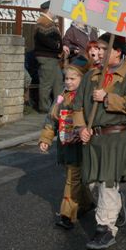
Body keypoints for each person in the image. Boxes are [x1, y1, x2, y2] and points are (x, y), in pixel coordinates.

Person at [73, 34, 126, 250]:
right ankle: (114, 203)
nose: (98, 53)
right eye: (98, 49)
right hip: (94, 138)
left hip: (117, 137)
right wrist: (81, 127)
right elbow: (78, 107)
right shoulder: (92, 75)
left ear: (118, 51)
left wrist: (108, 98)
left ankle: (106, 228)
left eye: (104, 49)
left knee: (106, 182)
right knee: (92, 181)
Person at [38, 63, 93, 230]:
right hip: (65, 144)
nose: (68, 82)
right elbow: (51, 119)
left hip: (81, 145)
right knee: (76, 177)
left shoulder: (87, 96)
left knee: (72, 179)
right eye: (66, 78)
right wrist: (46, 139)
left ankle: (67, 214)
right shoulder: (61, 97)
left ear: (82, 79)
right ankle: (86, 202)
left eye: (72, 78)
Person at [34, 0, 68, 112]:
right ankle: (44, 108)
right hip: (47, 57)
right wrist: (58, 45)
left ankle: (57, 107)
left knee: (58, 82)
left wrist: (61, 47)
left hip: (51, 58)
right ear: (49, 10)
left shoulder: (48, 22)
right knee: (47, 83)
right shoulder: (43, 21)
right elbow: (44, 39)